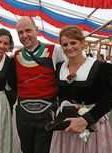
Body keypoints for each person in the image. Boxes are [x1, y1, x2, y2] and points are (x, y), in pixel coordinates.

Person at [50, 25, 112, 153]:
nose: (69, 47)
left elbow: (108, 100)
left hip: (92, 123)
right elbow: (61, 95)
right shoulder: (60, 67)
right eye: (65, 44)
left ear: (82, 43)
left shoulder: (101, 68)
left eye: (73, 42)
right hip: (67, 124)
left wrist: (86, 120)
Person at [9, 16, 64, 153]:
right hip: (23, 114)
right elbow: (12, 83)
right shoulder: (15, 56)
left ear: (37, 30)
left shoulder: (54, 50)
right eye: (20, 32)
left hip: (47, 113)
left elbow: (62, 80)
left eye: (28, 30)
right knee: (26, 149)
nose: (24, 35)